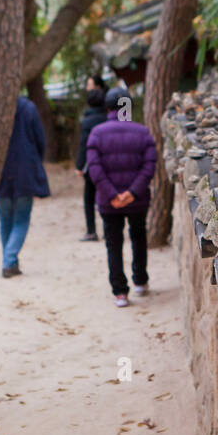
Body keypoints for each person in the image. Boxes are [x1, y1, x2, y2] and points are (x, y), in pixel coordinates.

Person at [84, 86, 157, 307]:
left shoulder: (97, 133)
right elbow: (149, 166)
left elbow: (94, 169)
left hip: (109, 201)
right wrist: (132, 193)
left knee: (113, 243)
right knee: (138, 237)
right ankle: (140, 281)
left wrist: (113, 195)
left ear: (107, 107)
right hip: (138, 199)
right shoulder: (143, 132)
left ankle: (119, 292)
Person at [0, 95, 51, 278]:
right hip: (25, 170)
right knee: (21, 218)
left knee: (5, 220)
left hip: (0, 171)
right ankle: (9, 260)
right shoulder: (29, 108)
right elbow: (40, 139)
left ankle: (9, 261)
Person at [74, 75, 105, 242]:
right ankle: (107, 229)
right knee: (106, 195)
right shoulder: (107, 118)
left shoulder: (87, 120)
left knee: (89, 197)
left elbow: (83, 144)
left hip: (91, 165)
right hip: (107, 164)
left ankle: (91, 230)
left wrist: (79, 166)